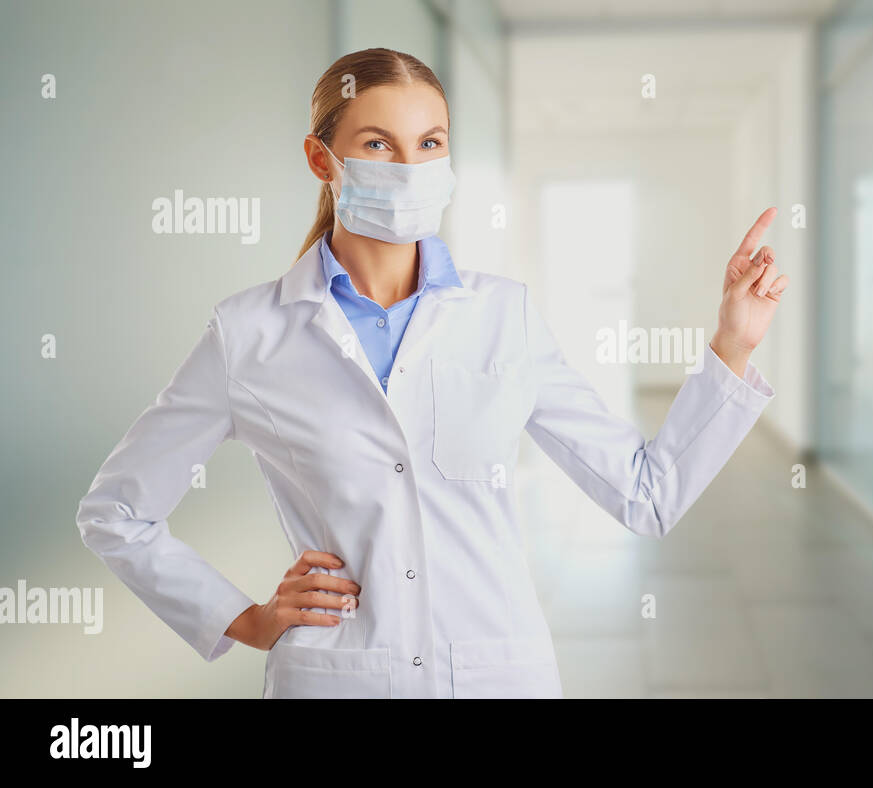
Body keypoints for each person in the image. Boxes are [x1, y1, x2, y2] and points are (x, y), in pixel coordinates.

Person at [76, 47, 789, 698]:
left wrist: (733, 344)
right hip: (335, 677)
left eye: (430, 144)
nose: (410, 167)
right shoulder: (250, 334)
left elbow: (647, 496)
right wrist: (243, 618)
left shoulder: (503, 317)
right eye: (379, 143)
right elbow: (116, 513)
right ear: (322, 160)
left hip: (499, 673)